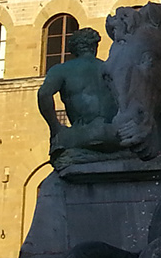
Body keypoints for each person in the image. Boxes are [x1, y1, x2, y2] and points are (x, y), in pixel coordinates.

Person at [36, 26, 124, 167]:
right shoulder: (111, 69)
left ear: (73, 50)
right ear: (95, 47)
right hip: (115, 134)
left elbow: (44, 94)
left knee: (59, 145)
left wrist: (55, 127)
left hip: (83, 135)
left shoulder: (61, 70)